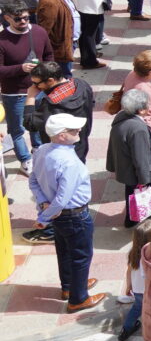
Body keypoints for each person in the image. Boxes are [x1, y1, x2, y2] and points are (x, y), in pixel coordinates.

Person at [30, 113, 105, 312]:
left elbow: (33, 181)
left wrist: (44, 204)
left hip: (59, 215)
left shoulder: (42, 150)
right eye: (73, 130)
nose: (79, 131)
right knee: (81, 256)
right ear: (62, 135)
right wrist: (44, 217)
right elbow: (63, 198)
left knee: (64, 251)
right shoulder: (69, 162)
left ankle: (69, 286)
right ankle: (78, 298)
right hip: (74, 215)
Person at [106, 89, 151, 227]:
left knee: (130, 195)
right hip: (138, 173)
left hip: (126, 168)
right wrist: (144, 180)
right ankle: (142, 224)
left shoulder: (122, 118)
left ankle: (131, 220)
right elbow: (140, 158)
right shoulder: (138, 129)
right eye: (148, 104)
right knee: (142, 200)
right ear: (141, 110)